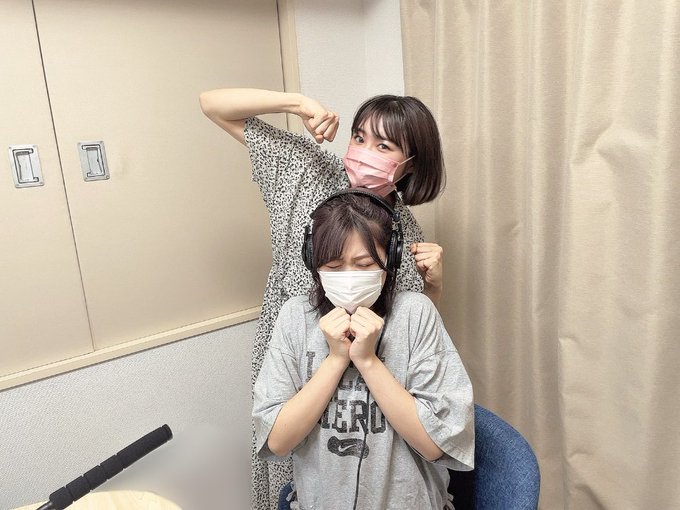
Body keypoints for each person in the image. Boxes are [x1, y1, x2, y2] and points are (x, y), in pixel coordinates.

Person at [199, 88, 447, 509]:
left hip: (369, 394)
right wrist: (296, 103)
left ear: (410, 163)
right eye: (359, 137)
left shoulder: (406, 232)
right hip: (296, 370)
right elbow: (212, 105)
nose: (364, 152)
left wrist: (434, 286)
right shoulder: (305, 171)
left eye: (383, 146)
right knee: (292, 478)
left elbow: (414, 331)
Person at [253, 190, 474, 510]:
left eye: (365, 264)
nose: (349, 278)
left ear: (391, 259)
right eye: (334, 265)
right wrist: (335, 360)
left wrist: (368, 361)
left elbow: (434, 445)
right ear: (314, 263)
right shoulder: (295, 318)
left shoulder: (416, 313)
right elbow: (278, 441)